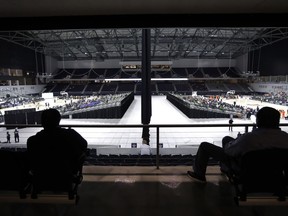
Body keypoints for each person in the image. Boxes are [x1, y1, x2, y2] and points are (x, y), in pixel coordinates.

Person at [187, 107, 288, 182]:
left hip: (245, 170)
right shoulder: (286, 137)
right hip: (273, 172)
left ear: (258, 121)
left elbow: (229, 150)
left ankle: (199, 174)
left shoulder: (249, 138)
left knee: (205, 146)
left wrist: (237, 141)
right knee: (226, 138)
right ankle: (224, 168)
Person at [27, 108, 88, 186]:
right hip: (66, 176)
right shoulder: (71, 135)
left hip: (41, 178)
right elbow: (84, 145)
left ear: (42, 122)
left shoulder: (32, 141)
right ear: (58, 121)